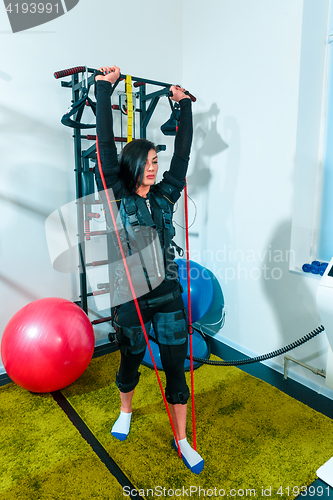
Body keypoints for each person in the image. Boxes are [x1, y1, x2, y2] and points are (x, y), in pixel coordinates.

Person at [94, 65, 204, 474]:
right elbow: (106, 143)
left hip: (168, 295)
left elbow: (184, 154)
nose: (156, 168)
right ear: (134, 163)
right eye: (151, 161)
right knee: (131, 357)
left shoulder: (166, 196)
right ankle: (125, 410)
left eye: (158, 161)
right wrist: (103, 90)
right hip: (130, 297)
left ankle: (182, 439)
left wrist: (185, 107)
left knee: (176, 367)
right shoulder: (117, 191)